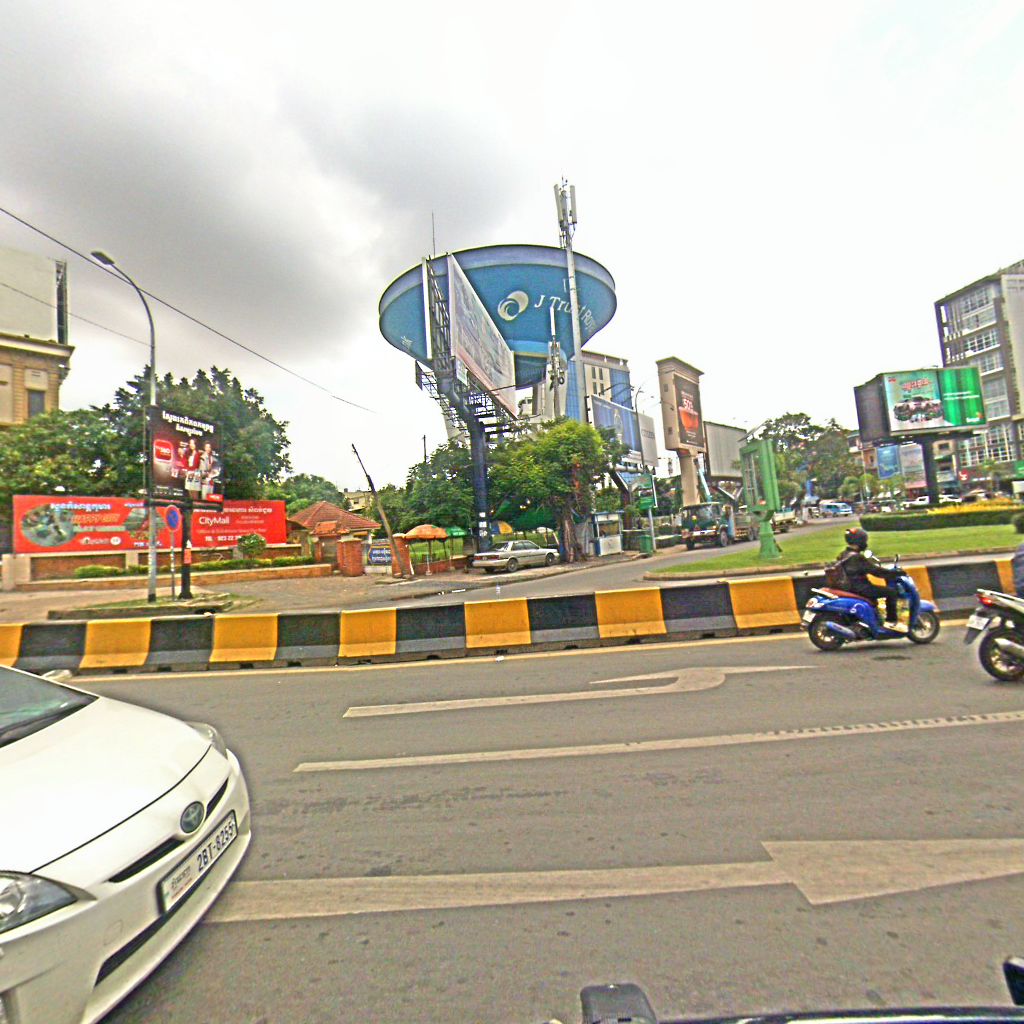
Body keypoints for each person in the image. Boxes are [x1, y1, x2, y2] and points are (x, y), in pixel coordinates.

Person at [835, 526, 905, 629]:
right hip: (861, 588)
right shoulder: (857, 557)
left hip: (850, 587)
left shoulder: (842, 555)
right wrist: (896, 573)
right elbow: (875, 571)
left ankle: (876, 619)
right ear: (860, 541)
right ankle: (891, 621)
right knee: (891, 592)